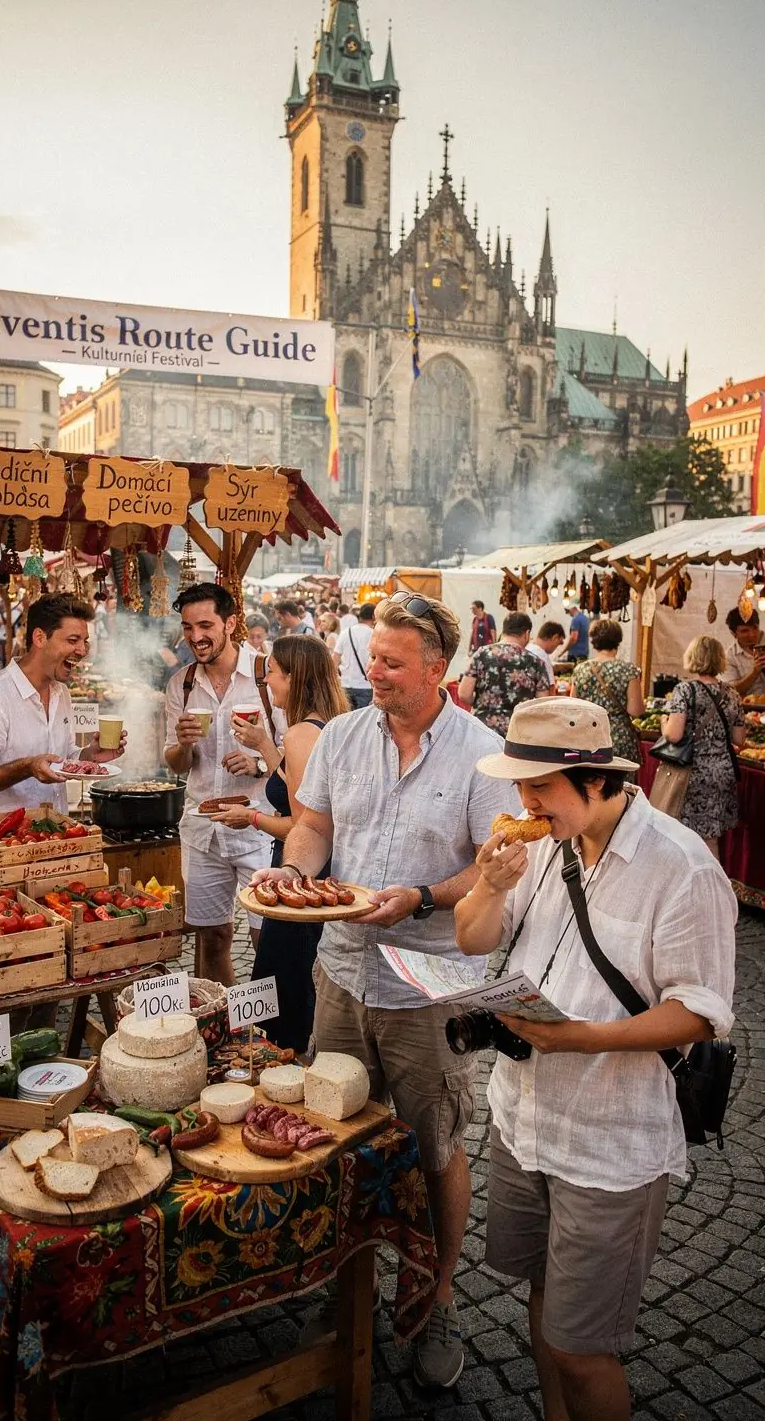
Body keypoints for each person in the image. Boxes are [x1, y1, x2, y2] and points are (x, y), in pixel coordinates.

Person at [253, 593, 518, 1388]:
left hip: (428, 985)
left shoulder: (481, 751)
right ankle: (343, 1289)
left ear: (438, 670)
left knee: (435, 1147)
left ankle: (439, 1300)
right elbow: (314, 825)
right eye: (373, 657)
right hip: (340, 969)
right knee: (333, 1135)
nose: (376, 672)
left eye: (393, 662)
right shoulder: (340, 734)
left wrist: (425, 896)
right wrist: (296, 871)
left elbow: (492, 865)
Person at [455, 697, 736, 1421]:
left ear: (594, 778)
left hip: (608, 1143)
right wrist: (488, 884)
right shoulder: (544, 847)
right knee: (547, 1304)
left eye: (538, 788)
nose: (524, 803)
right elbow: (472, 939)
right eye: (518, 787)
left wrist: (580, 1037)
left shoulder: (680, 866)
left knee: (583, 1346)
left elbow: (701, 1011)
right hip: (524, 1118)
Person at [214, 635, 349, 1053]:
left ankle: (280, 1069)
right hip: (318, 869)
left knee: (280, 982)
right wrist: (265, 748)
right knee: (293, 976)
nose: (266, 681)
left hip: (298, 870)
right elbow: (304, 787)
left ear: (293, 677)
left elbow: (301, 824)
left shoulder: (301, 733)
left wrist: (250, 817)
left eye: (271, 672)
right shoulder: (331, 722)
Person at [163, 583, 272, 986]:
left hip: (259, 827)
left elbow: (297, 753)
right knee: (213, 937)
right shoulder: (182, 684)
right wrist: (185, 744)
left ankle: (276, 1034)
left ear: (231, 623)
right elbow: (176, 764)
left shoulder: (265, 676)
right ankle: (223, 1026)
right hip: (202, 830)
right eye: (188, 627)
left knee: (268, 937)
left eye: (205, 625)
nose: (196, 637)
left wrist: (259, 761)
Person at [0, 594, 125, 817]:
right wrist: (26, 768)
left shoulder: (61, 692)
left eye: (85, 641)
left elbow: (60, 758)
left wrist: (89, 756)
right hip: (3, 842)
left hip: (55, 833)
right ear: (40, 638)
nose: (82, 651)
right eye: (73, 641)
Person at [660, 635, 745, 858]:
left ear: (692, 657)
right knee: (710, 839)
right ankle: (712, 886)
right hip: (722, 773)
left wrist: (664, 724)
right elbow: (739, 739)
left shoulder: (685, 690)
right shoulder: (732, 693)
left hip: (693, 773)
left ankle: (698, 888)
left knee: (686, 837)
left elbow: (674, 735)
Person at [458, 611, 550, 735]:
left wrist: (482, 703)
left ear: (504, 630)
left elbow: (463, 693)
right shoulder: (536, 662)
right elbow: (542, 704)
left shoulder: (482, 654)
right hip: (518, 735)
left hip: (482, 731)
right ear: (527, 634)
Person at [570, 618, 643, 763]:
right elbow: (636, 711)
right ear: (618, 640)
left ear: (594, 641)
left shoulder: (580, 670)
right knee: (621, 785)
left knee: (590, 783)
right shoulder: (628, 670)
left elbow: (573, 708)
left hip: (588, 739)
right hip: (619, 741)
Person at [334, 601, 375, 708]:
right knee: (363, 722)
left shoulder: (345, 632)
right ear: (373, 616)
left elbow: (335, 658)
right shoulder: (373, 634)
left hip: (345, 684)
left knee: (347, 721)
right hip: (365, 685)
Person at [720, 607, 765, 697]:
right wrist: (754, 672)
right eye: (745, 631)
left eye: (755, 628)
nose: (752, 634)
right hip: (749, 708)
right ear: (733, 633)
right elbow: (731, 691)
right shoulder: (729, 657)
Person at [526, 620, 565, 691]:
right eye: (559, 643)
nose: (557, 647)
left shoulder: (527, 648)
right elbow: (551, 690)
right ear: (555, 637)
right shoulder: (543, 657)